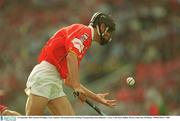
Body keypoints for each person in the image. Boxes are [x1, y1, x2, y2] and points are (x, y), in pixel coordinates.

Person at [25, 12, 117, 115]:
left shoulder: (85, 41)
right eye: (109, 32)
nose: (109, 36)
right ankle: (5, 112)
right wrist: (77, 86)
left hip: (55, 80)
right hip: (45, 76)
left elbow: (69, 81)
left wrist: (96, 97)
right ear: (102, 27)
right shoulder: (85, 32)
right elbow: (71, 56)